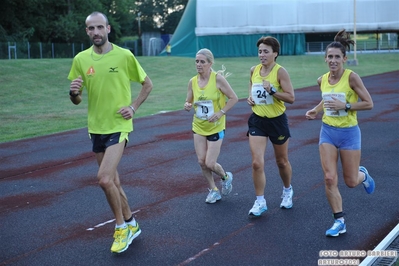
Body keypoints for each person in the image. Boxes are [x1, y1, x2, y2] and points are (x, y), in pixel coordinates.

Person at [68, 11, 153, 253]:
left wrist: (133, 107)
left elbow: (147, 84)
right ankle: (131, 223)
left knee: (104, 179)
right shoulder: (81, 60)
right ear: (87, 31)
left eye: (99, 27)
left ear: (108, 29)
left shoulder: (124, 55)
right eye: (91, 28)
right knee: (114, 181)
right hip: (96, 128)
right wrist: (73, 93)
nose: (96, 32)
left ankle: (121, 229)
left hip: (119, 125)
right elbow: (77, 99)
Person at [305, 29, 375, 237]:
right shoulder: (322, 79)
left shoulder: (352, 78)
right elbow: (327, 99)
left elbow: (369, 103)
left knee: (351, 181)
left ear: (344, 59)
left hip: (349, 133)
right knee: (328, 178)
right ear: (325, 59)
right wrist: (316, 110)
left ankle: (364, 176)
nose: (333, 60)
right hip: (327, 131)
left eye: (337, 57)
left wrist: (345, 105)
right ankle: (339, 221)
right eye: (330, 57)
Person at [246, 36, 295, 216]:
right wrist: (250, 98)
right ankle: (260, 201)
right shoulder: (254, 70)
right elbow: (251, 87)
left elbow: (291, 98)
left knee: (281, 162)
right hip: (258, 120)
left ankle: (287, 190)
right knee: (257, 163)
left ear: (275, 53)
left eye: (266, 51)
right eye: (260, 51)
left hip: (277, 121)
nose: (262, 55)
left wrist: (273, 91)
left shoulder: (280, 72)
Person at [184, 48, 238, 203]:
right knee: (201, 162)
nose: (198, 64)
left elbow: (234, 98)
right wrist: (187, 105)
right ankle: (213, 190)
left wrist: (220, 113)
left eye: (202, 62)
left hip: (216, 126)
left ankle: (225, 177)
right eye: (196, 61)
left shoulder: (218, 79)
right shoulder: (192, 81)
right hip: (199, 126)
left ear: (210, 63)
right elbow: (189, 100)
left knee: (210, 162)